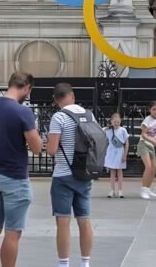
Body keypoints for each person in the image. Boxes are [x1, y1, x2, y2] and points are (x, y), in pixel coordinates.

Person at [0, 72, 43, 267]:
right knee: (12, 233)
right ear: (27, 88)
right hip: (14, 176)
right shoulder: (23, 112)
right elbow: (37, 148)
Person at [46, 83, 95, 267]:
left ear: (56, 99)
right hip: (84, 173)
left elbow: (51, 149)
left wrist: (48, 143)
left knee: (63, 221)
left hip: (63, 175)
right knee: (84, 220)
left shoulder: (59, 117)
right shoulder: (89, 115)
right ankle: (85, 262)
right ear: (72, 96)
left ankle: (64, 263)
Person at [139, 101, 156, 199]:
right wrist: (153, 140)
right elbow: (143, 134)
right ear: (150, 110)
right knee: (149, 167)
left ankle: (148, 189)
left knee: (154, 169)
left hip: (151, 146)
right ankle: (143, 190)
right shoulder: (147, 120)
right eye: (154, 109)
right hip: (143, 144)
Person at [104, 112, 129, 199]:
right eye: (114, 122)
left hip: (120, 151)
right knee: (112, 172)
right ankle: (112, 190)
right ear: (111, 122)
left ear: (120, 121)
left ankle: (120, 190)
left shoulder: (123, 130)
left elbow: (126, 143)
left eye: (118, 122)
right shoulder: (108, 131)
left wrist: (125, 155)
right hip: (111, 152)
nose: (116, 124)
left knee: (120, 172)